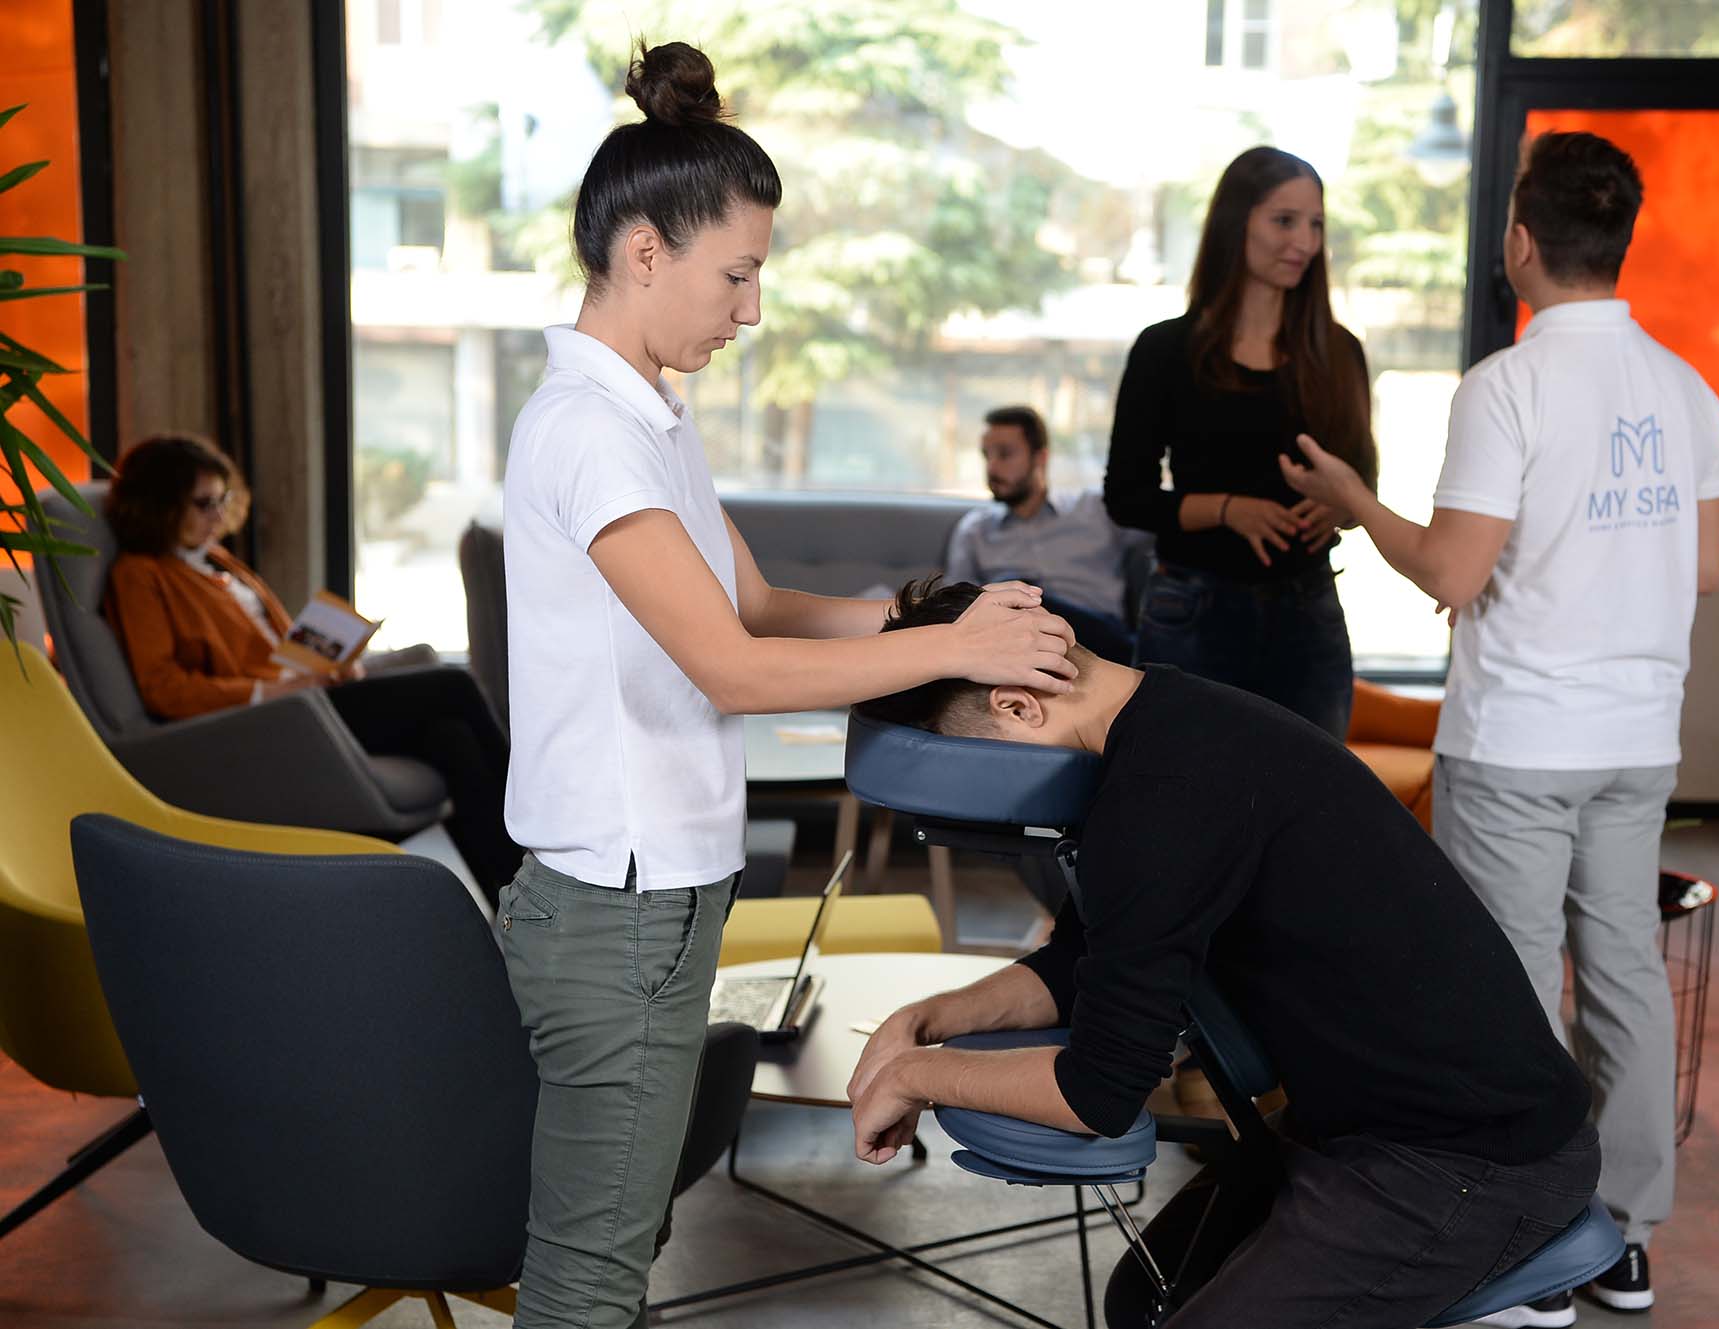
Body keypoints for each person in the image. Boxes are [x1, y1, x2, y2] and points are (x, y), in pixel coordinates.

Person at [496, 42, 1076, 1329]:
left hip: (655, 900)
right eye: (737, 274)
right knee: (588, 1279)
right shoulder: (588, 433)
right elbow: (733, 667)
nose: (751, 309)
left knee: (614, 1252)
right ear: (643, 253)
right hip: (617, 910)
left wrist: (936, 616)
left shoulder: (650, 417)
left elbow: (755, 605)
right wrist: (953, 656)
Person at [846, 577, 1599, 1329]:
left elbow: (1096, 1094)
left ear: (1019, 705)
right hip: (1362, 1123)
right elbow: (1081, 961)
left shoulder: (1161, 795)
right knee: (1142, 1300)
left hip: (1470, 1158)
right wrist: (924, 1021)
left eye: (971, 761)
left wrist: (916, 1075)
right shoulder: (1167, 720)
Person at [1278, 131, 1719, 1324]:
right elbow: (1701, 567)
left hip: (1522, 738)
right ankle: (1623, 1243)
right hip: (1637, 737)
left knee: (1510, 990)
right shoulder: (1684, 389)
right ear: (1616, 243)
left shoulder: (1506, 387)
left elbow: (1449, 571)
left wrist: (1350, 499)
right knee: (1623, 977)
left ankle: (1531, 1244)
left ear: (1520, 243)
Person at [101, 432, 521, 904]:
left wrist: (332, 664)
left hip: (306, 697)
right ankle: (537, 825)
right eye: (203, 504)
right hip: (273, 720)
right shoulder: (140, 575)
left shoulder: (215, 560)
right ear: (160, 505)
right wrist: (273, 692)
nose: (218, 516)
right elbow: (163, 688)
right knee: (452, 685)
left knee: (450, 738)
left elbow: (277, 647)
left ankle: (518, 898)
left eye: (222, 500)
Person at [1103, 145, 1375, 738]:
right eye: (1285, 220)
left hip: (1310, 611)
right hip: (1192, 609)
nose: (1304, 241)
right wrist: (1230, 510)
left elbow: (1364, 488)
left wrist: (1340, 506)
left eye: (1316, 224)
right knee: (1183, 785)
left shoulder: (1340, 352)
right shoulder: (1164, 350)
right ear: (1236, 223)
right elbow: (1126, 498)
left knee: (1311, 791)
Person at [943, 404, 1148, 662]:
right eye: (987, 456)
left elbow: (1161, 540)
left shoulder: (1096, 510)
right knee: (1008, 594)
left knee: (1016, 588)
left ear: (1040, 457)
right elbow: (954, 605)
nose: (992, 468)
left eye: (1005, 454)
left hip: (1100, 641)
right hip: (1017, 646)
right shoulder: (974, 529)